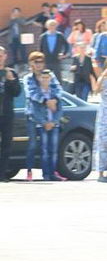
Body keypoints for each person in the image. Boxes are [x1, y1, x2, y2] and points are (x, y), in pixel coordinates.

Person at [23, 51, 63, 181]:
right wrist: (46, 101)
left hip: (50, 115)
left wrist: (54, 100)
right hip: (33, 115)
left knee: (50, 147)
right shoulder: (28, 78)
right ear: (31, 63)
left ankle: (51, 173)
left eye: (41, 62)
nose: (39, 64)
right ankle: (29, 171)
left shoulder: (50, 75)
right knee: (33, 145)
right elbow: (32, 94)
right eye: (36, 62)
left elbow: (59, 89)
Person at [0, 46, 21, 182]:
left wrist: (11, 80)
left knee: (6, 145)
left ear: (5, 56)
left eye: (1, 55)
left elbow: (17, 92)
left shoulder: (11, 72)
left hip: (7, 115)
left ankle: (2, 174)